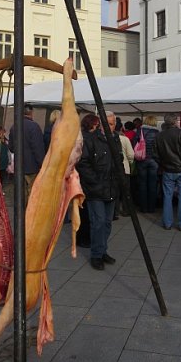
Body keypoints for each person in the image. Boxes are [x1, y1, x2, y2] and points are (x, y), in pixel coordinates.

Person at [77, 111, 122, 270]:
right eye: (107, 124)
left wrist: (121, 182)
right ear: (100, 125)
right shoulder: (90, 139)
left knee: (108, 223)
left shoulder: (116, 139)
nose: (110, 126)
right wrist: (95, 181)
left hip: (111, 188)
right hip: (96, 189)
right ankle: (96, 254)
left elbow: (119, 161)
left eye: (112, 123)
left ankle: (102, 251)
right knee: (98, 222)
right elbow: (83, 163)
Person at [154, 113, 181, 231]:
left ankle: (167, 223)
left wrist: (163, 165)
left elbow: (155, 154)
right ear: (175, 121)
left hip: (168, 170)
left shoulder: (159, 136)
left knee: (168, 196)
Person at [9, 104, 45, 206]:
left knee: (21, 193)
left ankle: (22, 213)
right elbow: (38, 148)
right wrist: (42, 164)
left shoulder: (13, 127)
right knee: (33, 193)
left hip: (19, 166)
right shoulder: (34, 127)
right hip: (32, 166)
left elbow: (11, 147)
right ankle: (30, 216)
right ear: (31, 112)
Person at [75, 113, 100, 248]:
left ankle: (81, 237)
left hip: (80, 177)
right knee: (86, 211)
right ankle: (84, 238)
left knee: (82, 209)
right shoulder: (88, 138)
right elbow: (84, 161)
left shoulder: (79, 136)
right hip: (86, 178)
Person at [132, 115, 159, 213]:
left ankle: (143, 207)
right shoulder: (157, 133)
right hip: (153, 160)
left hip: (141, 159)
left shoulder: (139, 131)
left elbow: (134, 144)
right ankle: (151, 208)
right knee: (152, 184)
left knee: (142, 184)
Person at [118, 129, 135, 217]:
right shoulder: (125, 139)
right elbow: (131, 155)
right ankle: (126, 210)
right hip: (125, 168)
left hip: (112, 169)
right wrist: (130, 162)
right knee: (126, 191)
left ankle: (114, 211)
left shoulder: (107, 138)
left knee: (115, 190)